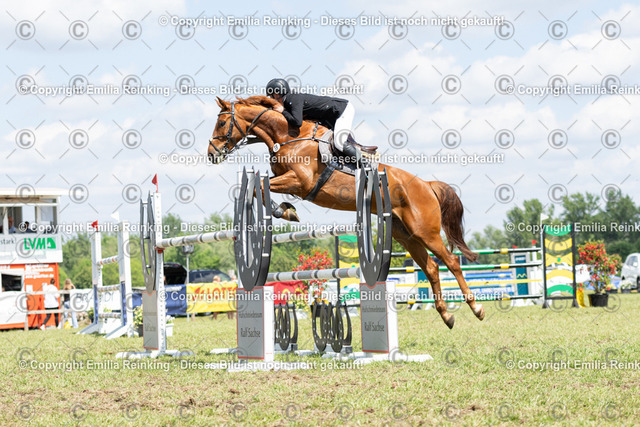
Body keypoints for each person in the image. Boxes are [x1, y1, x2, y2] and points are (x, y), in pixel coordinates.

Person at [265, 78, 375, 161]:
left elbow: (297, 122)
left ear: (278, 93)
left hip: (342, 110)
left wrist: (283, 111)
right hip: (330, 116)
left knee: (339, 143)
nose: (271, 99)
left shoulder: (293, 98)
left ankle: (364, 164)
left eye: (272, 95)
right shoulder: (289, 101)